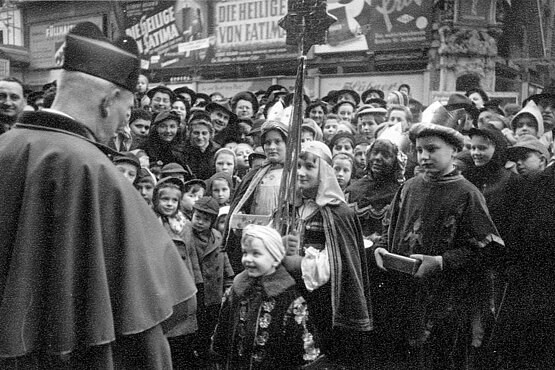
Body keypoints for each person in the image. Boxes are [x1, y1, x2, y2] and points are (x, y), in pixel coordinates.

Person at [0, 22, 196, 368]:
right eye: (127, 110)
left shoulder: (4, 147)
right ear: (107, 101)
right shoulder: (95, 171)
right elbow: (163, 303)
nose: (124, 124)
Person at [373, 123, 503, 369]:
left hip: (446, 302)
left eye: (432, 150)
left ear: (453, 150)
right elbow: (390, 225)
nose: (424, 157)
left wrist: (441, 262)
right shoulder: (410, 186)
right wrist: (382, 249)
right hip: (404, 295)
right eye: (420, 150)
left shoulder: (467, 193)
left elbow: (489, 249)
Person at [280, 141, 372, 366]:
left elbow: (338, 261)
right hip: (292, 294)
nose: (301, 173)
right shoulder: (293, 206)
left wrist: (298, 263)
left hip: (324, 300)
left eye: (309, 167)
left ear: (324, 171)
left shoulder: (337, 212)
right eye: (298, 166)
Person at [212, 224, 320, 369]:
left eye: (256, 254)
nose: (247, 259)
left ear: (275, 259)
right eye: (245, 253)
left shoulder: (289, 299)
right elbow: (222, 333)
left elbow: (302, 350)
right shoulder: (236, 291)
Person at [151, 177, 203, 369]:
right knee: (166, 333)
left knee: (184, 338)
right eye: (165, 199)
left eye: (174, 200)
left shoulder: (185, 225)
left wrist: (198, 282)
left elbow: (191, 255)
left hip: (184, 283)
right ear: (156, 200)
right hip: (163, 283)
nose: (169, 204)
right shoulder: (150, 222)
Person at [224, 120, 288, 273]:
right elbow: (241, 206)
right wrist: (240, 219)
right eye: (267, 142)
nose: (272, 147)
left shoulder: (297, 174)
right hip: (258, 242)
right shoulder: (255, 175)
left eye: (277, 142)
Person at [183, 197, 234, 363]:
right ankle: (195, 351)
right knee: (198, 321)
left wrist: (229, 278)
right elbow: (190, 260)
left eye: (206, 220)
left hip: (215, 290)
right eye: (197, 217)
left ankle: (205, 349)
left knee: (212, 320)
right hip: (200, 287)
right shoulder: (188, 235)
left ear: (212, 222)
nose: (200, 222)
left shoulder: (217, 236)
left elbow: (223, 256)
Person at [183, 114, 221, 180]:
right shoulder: (180, 152)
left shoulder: (217, 152)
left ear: (210, 134)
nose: (200, 137)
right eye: (196, 133)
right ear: (189, 133)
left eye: (204, 133)